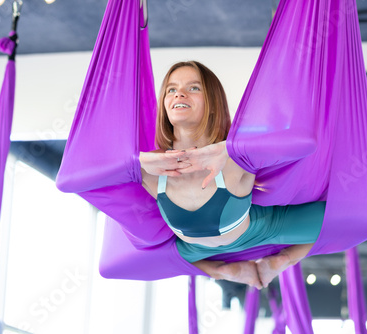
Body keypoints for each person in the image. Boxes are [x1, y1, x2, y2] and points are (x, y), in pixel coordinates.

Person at [138, 61, 326, 289]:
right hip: (194, 249)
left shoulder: (236, 156)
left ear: (214, 104)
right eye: (171, 89)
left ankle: (281, 261)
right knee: (136, 262)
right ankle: (220, 271)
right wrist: (138, 161)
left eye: (194, 88)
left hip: (255, 231)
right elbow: (83, 171)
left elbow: (304, 143)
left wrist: (227, 149)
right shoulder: (148, 167)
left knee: (341, 219)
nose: (180, 94)